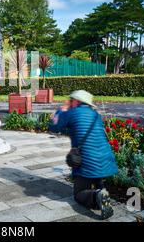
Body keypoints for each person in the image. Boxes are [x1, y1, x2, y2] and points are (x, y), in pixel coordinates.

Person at [49, 90, 118, 219]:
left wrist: (61, 110)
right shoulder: (95, 115)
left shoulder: (72, 113)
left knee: (79, 193)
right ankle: (101, 193)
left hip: (87, 160)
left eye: (71, 100)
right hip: (105, 158)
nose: (70, 102)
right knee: (97, 178)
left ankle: (97, 196)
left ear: (77, 101)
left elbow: (54, 127)